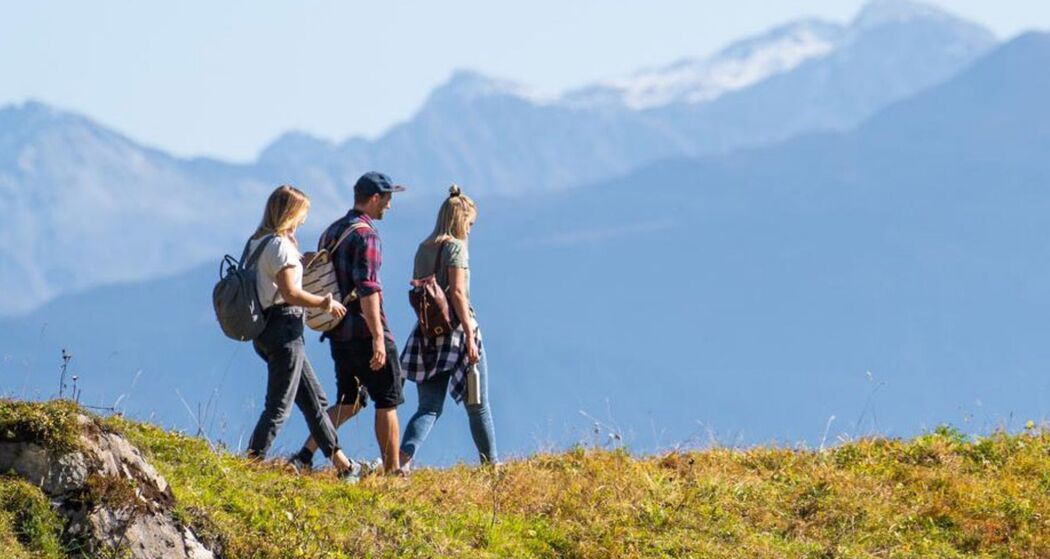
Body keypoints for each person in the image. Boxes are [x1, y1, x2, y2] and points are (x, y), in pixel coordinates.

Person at [290, 172, 406, 474]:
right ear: (375, 198)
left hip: (337, 330)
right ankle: (393, 473)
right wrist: (378, 337)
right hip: (365, 330)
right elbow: (368, 288)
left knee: (349, 401)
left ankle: (305, 455)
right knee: (387, 400)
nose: (390, 205)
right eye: (388, 198)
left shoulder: (331, 231)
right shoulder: (366, 236)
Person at [244, 185, 358, 480]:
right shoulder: (280, 246)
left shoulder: (257, 243)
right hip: (285, 329)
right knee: (279, 406)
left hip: (265, 329)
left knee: (315, 401)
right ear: (291, 213)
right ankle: (251, 464)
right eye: (303, 214)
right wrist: (324, 302)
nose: (305, 220)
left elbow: (270, 280)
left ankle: (344, 466)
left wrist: (299, 262)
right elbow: (290, 293)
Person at [400, 184, 498, 469]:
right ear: (461, 220)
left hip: (428, 333)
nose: (470, 230)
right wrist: (469, 334)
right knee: (478, 404)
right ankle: (491, 465)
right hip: (457, 332)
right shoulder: (455, 247)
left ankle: (401, 462)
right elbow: (457, 293)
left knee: (428, 407)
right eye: (470, 224)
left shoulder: (423, 248)